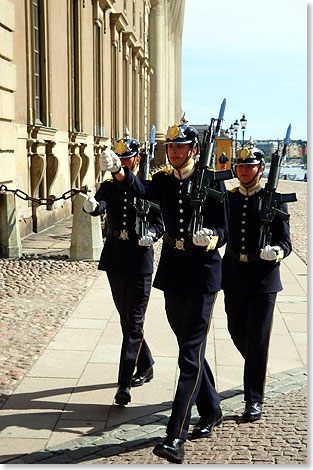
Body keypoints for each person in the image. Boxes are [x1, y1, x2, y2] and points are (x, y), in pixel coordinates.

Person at [99, 122, 229, 463]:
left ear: (194, 150)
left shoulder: (213, 180)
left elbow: (224, 227)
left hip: (203, 274)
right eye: (171, 147)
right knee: (189, 346)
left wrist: (212, 236)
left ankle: (175, 435)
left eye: (181, 147)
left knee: (188, 355)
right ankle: (212, 407)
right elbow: (141, 192)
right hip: (173, 273)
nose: (174, 151)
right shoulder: (163, 180)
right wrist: (121, 173)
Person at [82, 133, 164, 406]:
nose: (123, 164)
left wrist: (152, 234)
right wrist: (91, 206)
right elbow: (102, 204)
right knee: (126, 320)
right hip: (116, 259)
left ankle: (124, 384)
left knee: (134, 323)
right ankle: (147, 362)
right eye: (120, 160)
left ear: (136, 160)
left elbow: (158, 222)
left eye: (127, 159)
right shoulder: (108, 186)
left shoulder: (149, 186)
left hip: (140, 261)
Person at [222, 146, 292, 421]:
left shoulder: (273, 199)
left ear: (260, 170)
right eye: (240, 167)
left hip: (263, 279)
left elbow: (286, 241)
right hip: (234, 273)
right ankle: (256, 366)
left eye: (249, 167)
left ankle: (254, 399)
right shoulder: (228, 198)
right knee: (236, 330)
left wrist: (277, 252)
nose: (244, 171)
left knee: (258, 339)